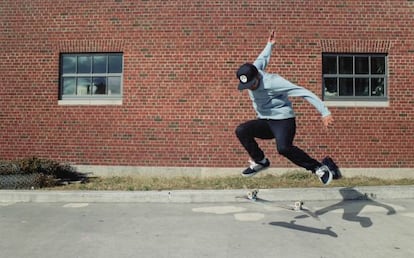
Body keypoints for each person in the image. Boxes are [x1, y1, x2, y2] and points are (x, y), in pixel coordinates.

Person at [235, 30, 339, 185]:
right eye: (248, 86)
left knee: (283, 148)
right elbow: (262, 58)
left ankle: (318, 168)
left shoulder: (273, 82)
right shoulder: (254, 69)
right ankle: (261, 161)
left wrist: (324, 112)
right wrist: (270, 45)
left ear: (257, 77)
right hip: (265, 122)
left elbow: (303, 91)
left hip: (283, 121)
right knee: (241, 130)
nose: (252, 88)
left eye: (253, 84)